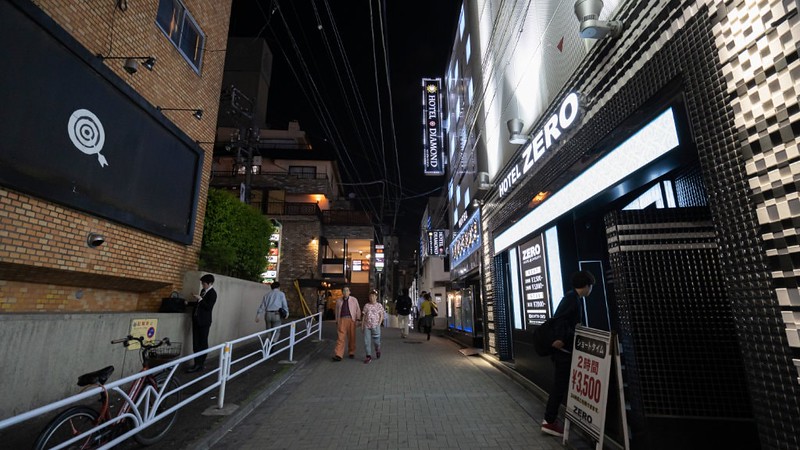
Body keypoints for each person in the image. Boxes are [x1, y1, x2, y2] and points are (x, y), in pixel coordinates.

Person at [541, 270, 595, 437]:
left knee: (560, 385)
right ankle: (549, 421)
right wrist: (562, 339)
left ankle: (551, 421)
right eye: (591, 286)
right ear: (586, 285)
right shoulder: (571, 299)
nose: (591, 290)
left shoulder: (573, 298)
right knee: (559, 386)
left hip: (565, 351)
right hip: (563, 352)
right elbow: (560, 320)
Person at [185, 274, 217, 373]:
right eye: (202, 283)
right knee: (195, 343)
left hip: (204, 322)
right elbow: (199, 304)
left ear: (210, 283)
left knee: (202, 343)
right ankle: (196, 363)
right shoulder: (203, 291)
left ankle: (200, 364)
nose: (202, 285)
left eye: (204, 283)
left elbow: (208, 307)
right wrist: (188, 303)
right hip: (196, 320)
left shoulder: (213, 294)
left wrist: (200, 299)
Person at [332, 286, 361, 361]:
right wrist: (337, 321)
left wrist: (358, 319)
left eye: (347, 290)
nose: (345, 292)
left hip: (351, 319)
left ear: (349, 292)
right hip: (342, 319)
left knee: (352, 337)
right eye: (344, 291)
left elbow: (358, 309)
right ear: (342, 292)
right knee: (340, 337)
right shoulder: (339, 301)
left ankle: (351, 352)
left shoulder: (354, 300)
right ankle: (338, 354)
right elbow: (336, 311)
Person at [255, 281, 289, 345]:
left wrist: (258, 315)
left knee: (268, 331)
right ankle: (272, 344)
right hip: (277, 314)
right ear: (279, 287)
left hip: (267, 314)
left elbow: (262, 306)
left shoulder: (266, 295)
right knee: (276, 331)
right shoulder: (281, 294)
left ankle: (268, 344)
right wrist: (287, 313)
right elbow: (284, 304)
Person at [361, 289, 385, 364]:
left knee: (376, 342)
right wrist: (362, 325)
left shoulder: (379, 305)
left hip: (375, 326)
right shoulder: (366, 305)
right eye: (370, 296)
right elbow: (364, 316)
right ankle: (368, 356)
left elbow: (381, 315)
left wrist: (379, 324)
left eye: (373, 296)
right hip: (367, 326)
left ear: (376, 297)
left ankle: (377, 350)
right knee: (367, 342)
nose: (372, 298)